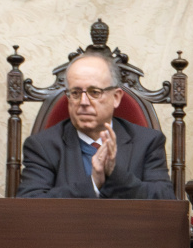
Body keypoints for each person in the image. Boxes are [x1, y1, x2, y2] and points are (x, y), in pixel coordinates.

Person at [17, 49, 176, 199]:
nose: (83, 102)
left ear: (116, 97)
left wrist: (114, 174)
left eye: (94, 92)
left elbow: (165, 201)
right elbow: (30, 205)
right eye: (75, 93)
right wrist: (93, 183)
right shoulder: (42, 146)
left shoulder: (147, 142)